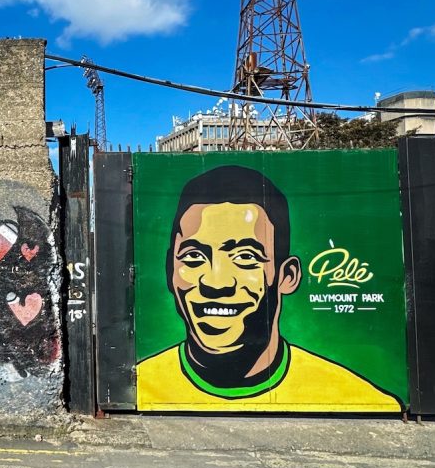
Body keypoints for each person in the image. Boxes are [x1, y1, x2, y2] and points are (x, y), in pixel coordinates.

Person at [137, 164, 401, 412]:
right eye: (194, 257)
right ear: (170, 272)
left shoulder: (359, 397)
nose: (216, 283)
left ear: (288, 276)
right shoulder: (139, 383)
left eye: (245, 257)